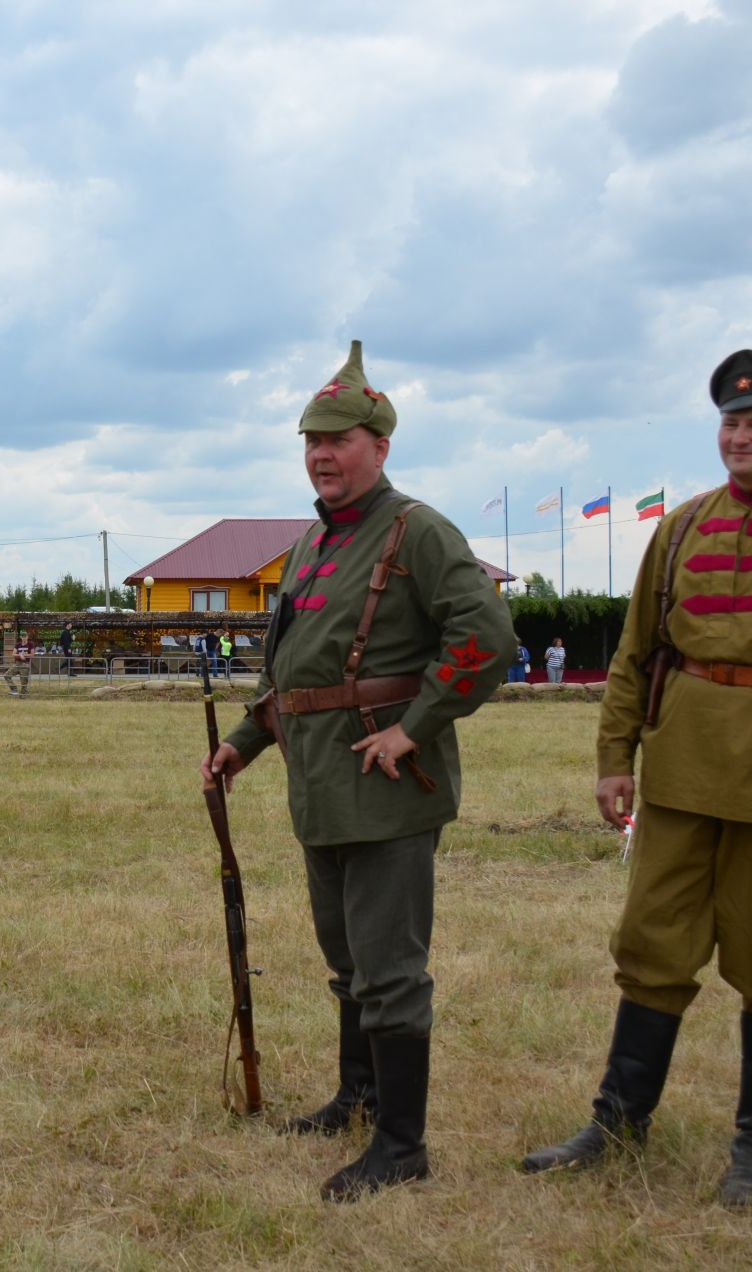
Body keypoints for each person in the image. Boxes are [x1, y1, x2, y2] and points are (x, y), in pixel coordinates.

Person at [521, 351, 752, 1206]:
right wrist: (614, 759)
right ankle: (616, 1126)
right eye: (730, 423)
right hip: (681, 777)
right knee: (651, 949)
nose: (738, 436)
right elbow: (635, 656)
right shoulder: (684, 525)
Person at [202, 340, 513, 1201]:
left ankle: (402, 1146)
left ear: (379, 446)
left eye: (339, 440)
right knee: (347, 958)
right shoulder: (311, 545)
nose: (323, 454)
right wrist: (243, 742)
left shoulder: (420, 532)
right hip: (320, 786)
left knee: (390, 968)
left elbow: (486, 640)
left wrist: (415, 728)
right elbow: (296, 677)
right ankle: (361, 1095)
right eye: (312, 440)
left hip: (385, 789)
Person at [4, 630, 34, 696]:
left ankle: (23, 694)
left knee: (24, 681)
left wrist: (24, 656)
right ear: (21, 637)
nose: (24, 638)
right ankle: (14, 689)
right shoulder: (18, 644)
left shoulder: (30, 644)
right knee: (6, 675)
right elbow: (13, 654)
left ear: (27, 637)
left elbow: (32, 654)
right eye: (22, 636)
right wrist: (20, 655)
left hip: (25, 664)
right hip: (17, 663)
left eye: (25, 636)